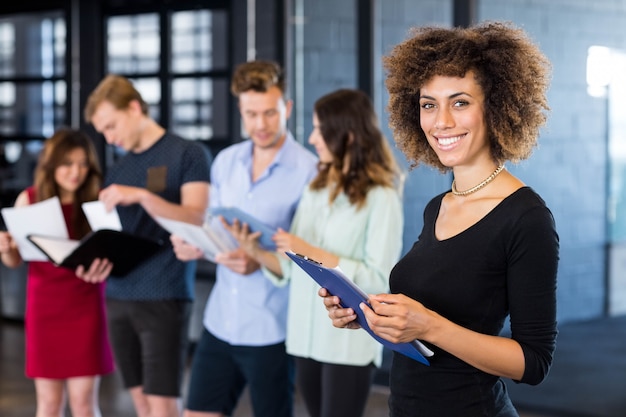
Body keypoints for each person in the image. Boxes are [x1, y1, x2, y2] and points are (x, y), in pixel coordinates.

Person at [320, 21, 560, 417]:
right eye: (429, 104)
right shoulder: (439, 206)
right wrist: (366, 316)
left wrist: (429, 326)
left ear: (496, 107)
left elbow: (533, 363)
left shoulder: (527, 218)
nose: (441, 121)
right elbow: (423, 320)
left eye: (460, 102)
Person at [225, 88, 404, 417]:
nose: (312, 138)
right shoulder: (317, 188)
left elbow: (379, 278)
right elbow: (293, 265)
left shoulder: (382, 197)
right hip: (304, 338)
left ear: (347, 135)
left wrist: (309, 250)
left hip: (346, 344)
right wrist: (255, 251)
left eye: (320, 129)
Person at [170, 59, 318, 417]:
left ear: (287, 108)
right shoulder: (225, 162)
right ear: (240, 109)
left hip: (272, 326)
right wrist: (195, 244)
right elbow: (214, 226)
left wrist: (259, 260)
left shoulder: (310, 170)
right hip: (220, 321)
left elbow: (309, 257)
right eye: (251, 114)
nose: (260, 124)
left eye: (270, 113)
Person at [79, 74, 211, 417]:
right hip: (119, 295)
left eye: (112, 126)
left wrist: (141, 196)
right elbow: (115, 235)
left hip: (165, 294)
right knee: (139, 402)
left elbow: (195, 218)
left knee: (163, 404)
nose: (109, 138)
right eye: (103, 132)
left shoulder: (188, 153)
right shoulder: (119, 169)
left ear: (134, 108)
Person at [0, 128, 114, 417]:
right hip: (44, 309)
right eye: (67, 163)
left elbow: (114, 254)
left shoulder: (99, 201)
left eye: (83, 163)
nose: (76, 172)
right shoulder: (29, 199)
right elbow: (15, 261)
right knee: (49, 404)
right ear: (51, 165)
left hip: (86, 306)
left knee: (84, 403)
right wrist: (5, 248)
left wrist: (106, 268)